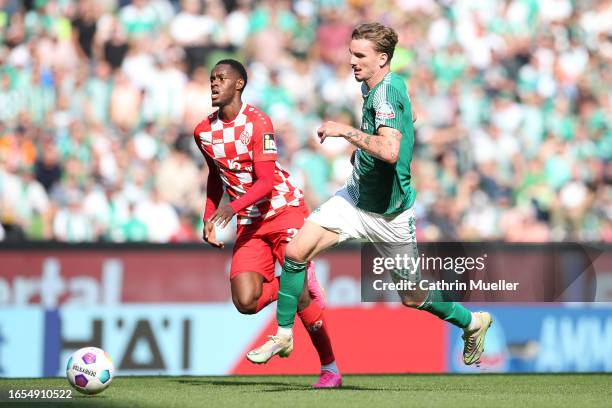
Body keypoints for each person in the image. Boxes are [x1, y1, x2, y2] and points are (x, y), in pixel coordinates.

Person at [246, 23, 492, 368]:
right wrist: (365, 152)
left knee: (413, 296)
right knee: (296, 250)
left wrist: (346, 132)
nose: (351, 60)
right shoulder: (384, 85)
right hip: (355, 200)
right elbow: (412, 116)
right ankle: (284, 334)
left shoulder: (385, 92)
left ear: (382, 58)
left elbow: (390, 150)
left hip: (391, 216)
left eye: (359, 55)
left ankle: (473, 322)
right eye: (351, 52)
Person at [193, 59, 342, 388]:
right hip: (249, 221)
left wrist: (231, 208)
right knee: (245, 301)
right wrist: (208, 217)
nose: (214, 84)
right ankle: (295, 280)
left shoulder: (258, 123)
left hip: (283, 209)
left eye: (221, 78)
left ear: (239, 84)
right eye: (211, 79)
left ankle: (330, 368)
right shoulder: (202, 131)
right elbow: (215, 176)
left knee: (301, 299)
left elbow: (264, 182)